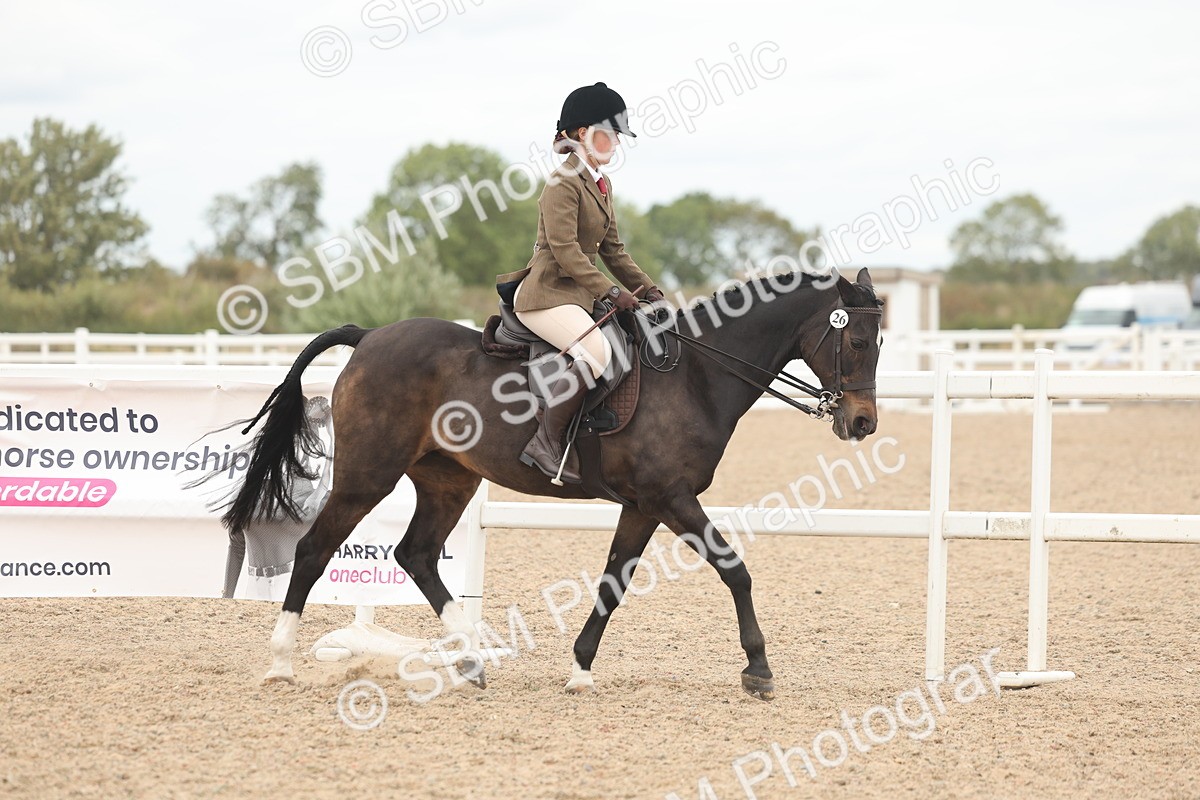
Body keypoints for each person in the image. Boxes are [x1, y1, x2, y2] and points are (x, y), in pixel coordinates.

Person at [496, 82, 664, 483]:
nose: (616, 144)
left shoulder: (601, 184)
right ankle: (545, 442)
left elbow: (614, 251)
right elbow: (566, 251)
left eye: (618, 137)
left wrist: (650, 290)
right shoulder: (562, 183)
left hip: (576, 296)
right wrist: (612, 292)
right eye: (611, 134)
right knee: (597, 354)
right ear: (584, 133)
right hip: (545, 295)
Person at [221, 395, 333, 599]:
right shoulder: (246, 493)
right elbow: (237, 545)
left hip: (294, 586)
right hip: (253, 589)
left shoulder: (315, 496)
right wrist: (226, 597)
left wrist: (334, 433)